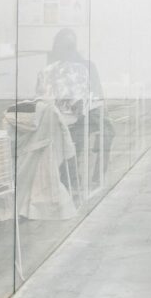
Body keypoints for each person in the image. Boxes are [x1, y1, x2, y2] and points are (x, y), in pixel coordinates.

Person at [38, 28, 114, 185]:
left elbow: (96, 95)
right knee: (73, 134)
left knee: (103, 130)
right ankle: (71, 176)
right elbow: (41, 95)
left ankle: (90, 176)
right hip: (62, 115)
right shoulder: (50, 70)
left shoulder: (86, 66)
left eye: (69, 45)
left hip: (83, 113)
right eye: (64, 45)